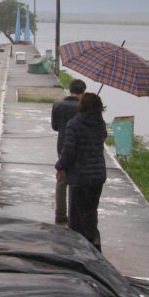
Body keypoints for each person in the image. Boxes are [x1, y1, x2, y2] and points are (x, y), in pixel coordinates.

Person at [55, 92, 107, 251]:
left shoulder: (74, 124)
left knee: (76, 218)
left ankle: (78, 252)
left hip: (80, 177)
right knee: (91, 212)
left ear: (82, 105)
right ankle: (94, 245)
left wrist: (60, 166)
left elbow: (69, 151)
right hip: (98, 176)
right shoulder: (101, 124)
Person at [50, 79, 86, 224]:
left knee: (62, 181)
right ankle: (74, 216)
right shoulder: (83, 107)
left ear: (70, 90)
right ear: (83, 92)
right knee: (76, 182)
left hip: (62, 147)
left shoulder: (57, 105)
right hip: (79, 148)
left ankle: (60, 215)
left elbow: (54, 126)